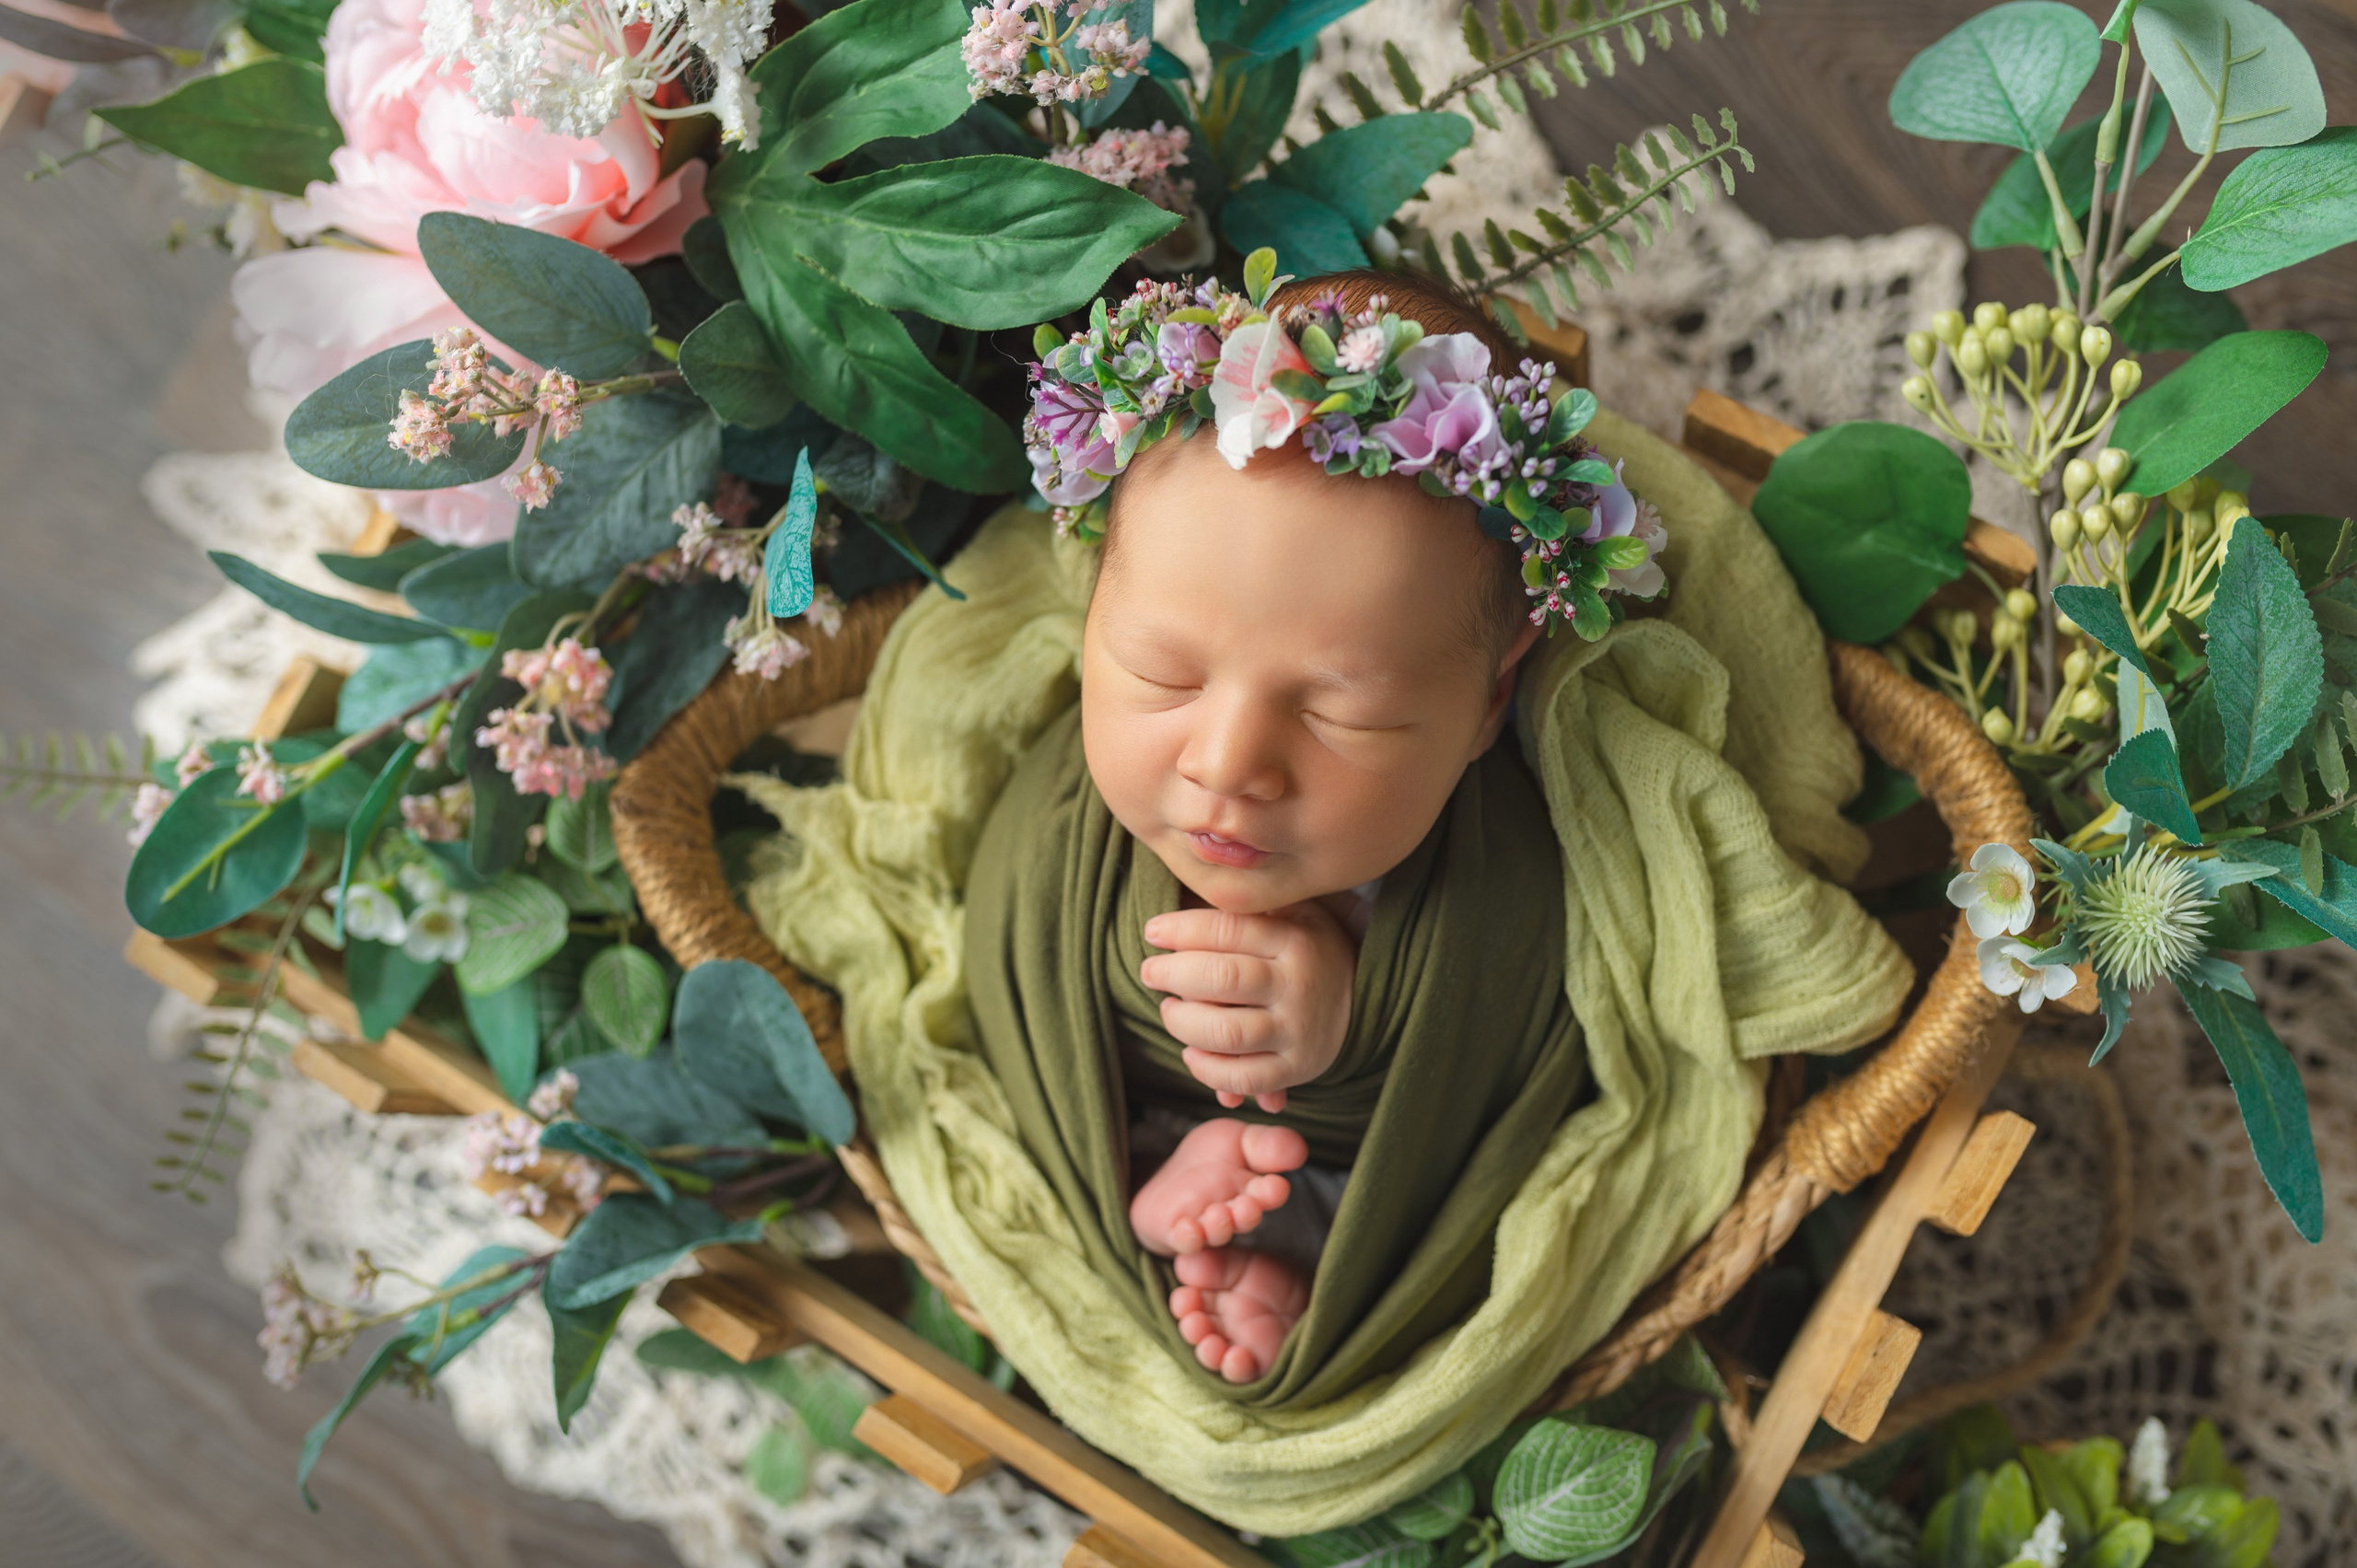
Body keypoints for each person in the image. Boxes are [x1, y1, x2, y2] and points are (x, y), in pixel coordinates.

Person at [969, 264, 1666, 1385]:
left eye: (1340, 711)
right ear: (1091, 603)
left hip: (1374, 1183)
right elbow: (1008, 943)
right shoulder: (1072, 827)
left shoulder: (1494, 860)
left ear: (1488, 701)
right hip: (1103, 1111)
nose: (1227, 764)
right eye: (1160, 671)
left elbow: (1540, 1032)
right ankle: (1153, 1186)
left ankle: (1277, 1251)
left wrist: (1359, 1014)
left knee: (1421, 1230)